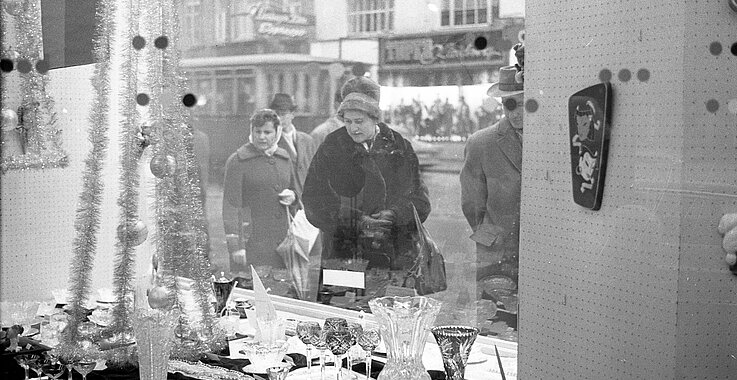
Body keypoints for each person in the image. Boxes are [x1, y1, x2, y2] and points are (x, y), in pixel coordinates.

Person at [302, 77, 431, 270]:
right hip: (343, 255)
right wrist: (357, 222)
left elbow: (421, 202)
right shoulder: (332, 146)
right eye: (347, 121)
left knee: (389, 300)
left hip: (394, 256)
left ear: (375, 118)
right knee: (342, 300)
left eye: (359, 121)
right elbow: (314, 201)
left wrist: (393, 216)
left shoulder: (400, 146)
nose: (353, 128)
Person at [460, 64, 524, 284]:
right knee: (496, 316)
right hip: (497, 255)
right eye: (510, 104)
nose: (516, 113)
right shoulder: (481, 143)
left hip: (542, 255)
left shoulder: (552, 141)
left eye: (524, 104)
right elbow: (471, 204)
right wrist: (492, 238)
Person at [222, 109, 298, 271]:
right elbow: (231, 206)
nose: (262, 137)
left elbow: (294, 190)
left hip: (282, 242)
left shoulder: (284, 158)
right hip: (252, 242)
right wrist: (236, 246)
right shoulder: (238, 161)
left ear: (277, 132)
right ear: (252, 131)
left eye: (267, 132)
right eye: (258, 131)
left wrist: (293, 197)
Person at [269, 93, 317, 195]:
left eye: (283, 114)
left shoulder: (307, 140)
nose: (279, 118)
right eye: (276, 114)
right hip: (286, 203)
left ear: (292, 114)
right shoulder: (271, 143)